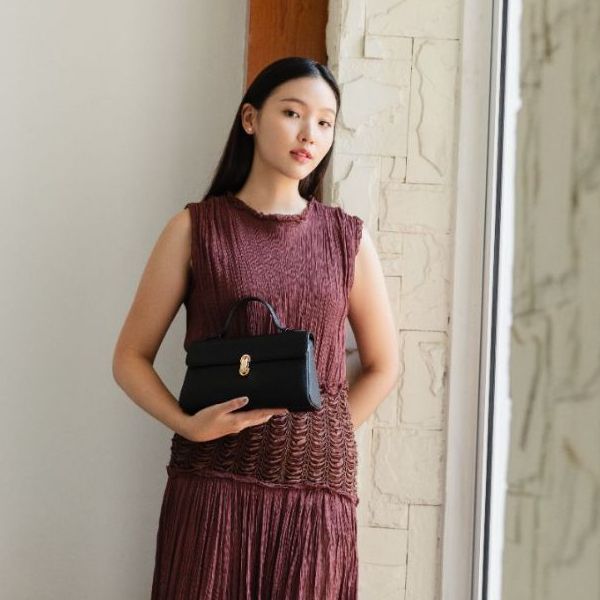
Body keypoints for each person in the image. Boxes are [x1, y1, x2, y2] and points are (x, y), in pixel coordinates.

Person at [112, 56, 399, 599]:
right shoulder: (194, 229)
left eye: (324, 122)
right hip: (213, 487)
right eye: (292, 113)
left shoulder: (348, 239)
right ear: (250, 119)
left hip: (317, 497)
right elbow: (130, 356)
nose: (309, 133)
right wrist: (188, 425)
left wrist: (322, 435)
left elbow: (384, 365)